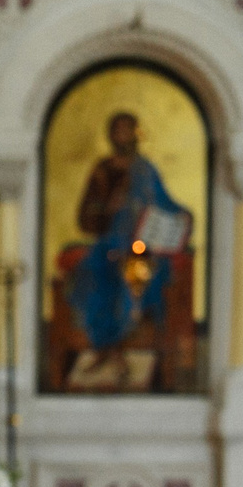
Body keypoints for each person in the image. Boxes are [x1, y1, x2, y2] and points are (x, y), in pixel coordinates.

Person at [66, 110, 188, 388]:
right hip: (109, 243)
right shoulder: (102, 170)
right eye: (118, 130)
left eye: (128, 130)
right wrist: (107, 208)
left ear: (136, 134)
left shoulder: (145, 170)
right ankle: (106, 349)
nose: (123, 135)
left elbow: (166, 204)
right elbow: (85, 216)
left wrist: (182, 217)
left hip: (143, 246)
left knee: (134, 275)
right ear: (111, 135)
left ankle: (120, 350)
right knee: (92, 274)